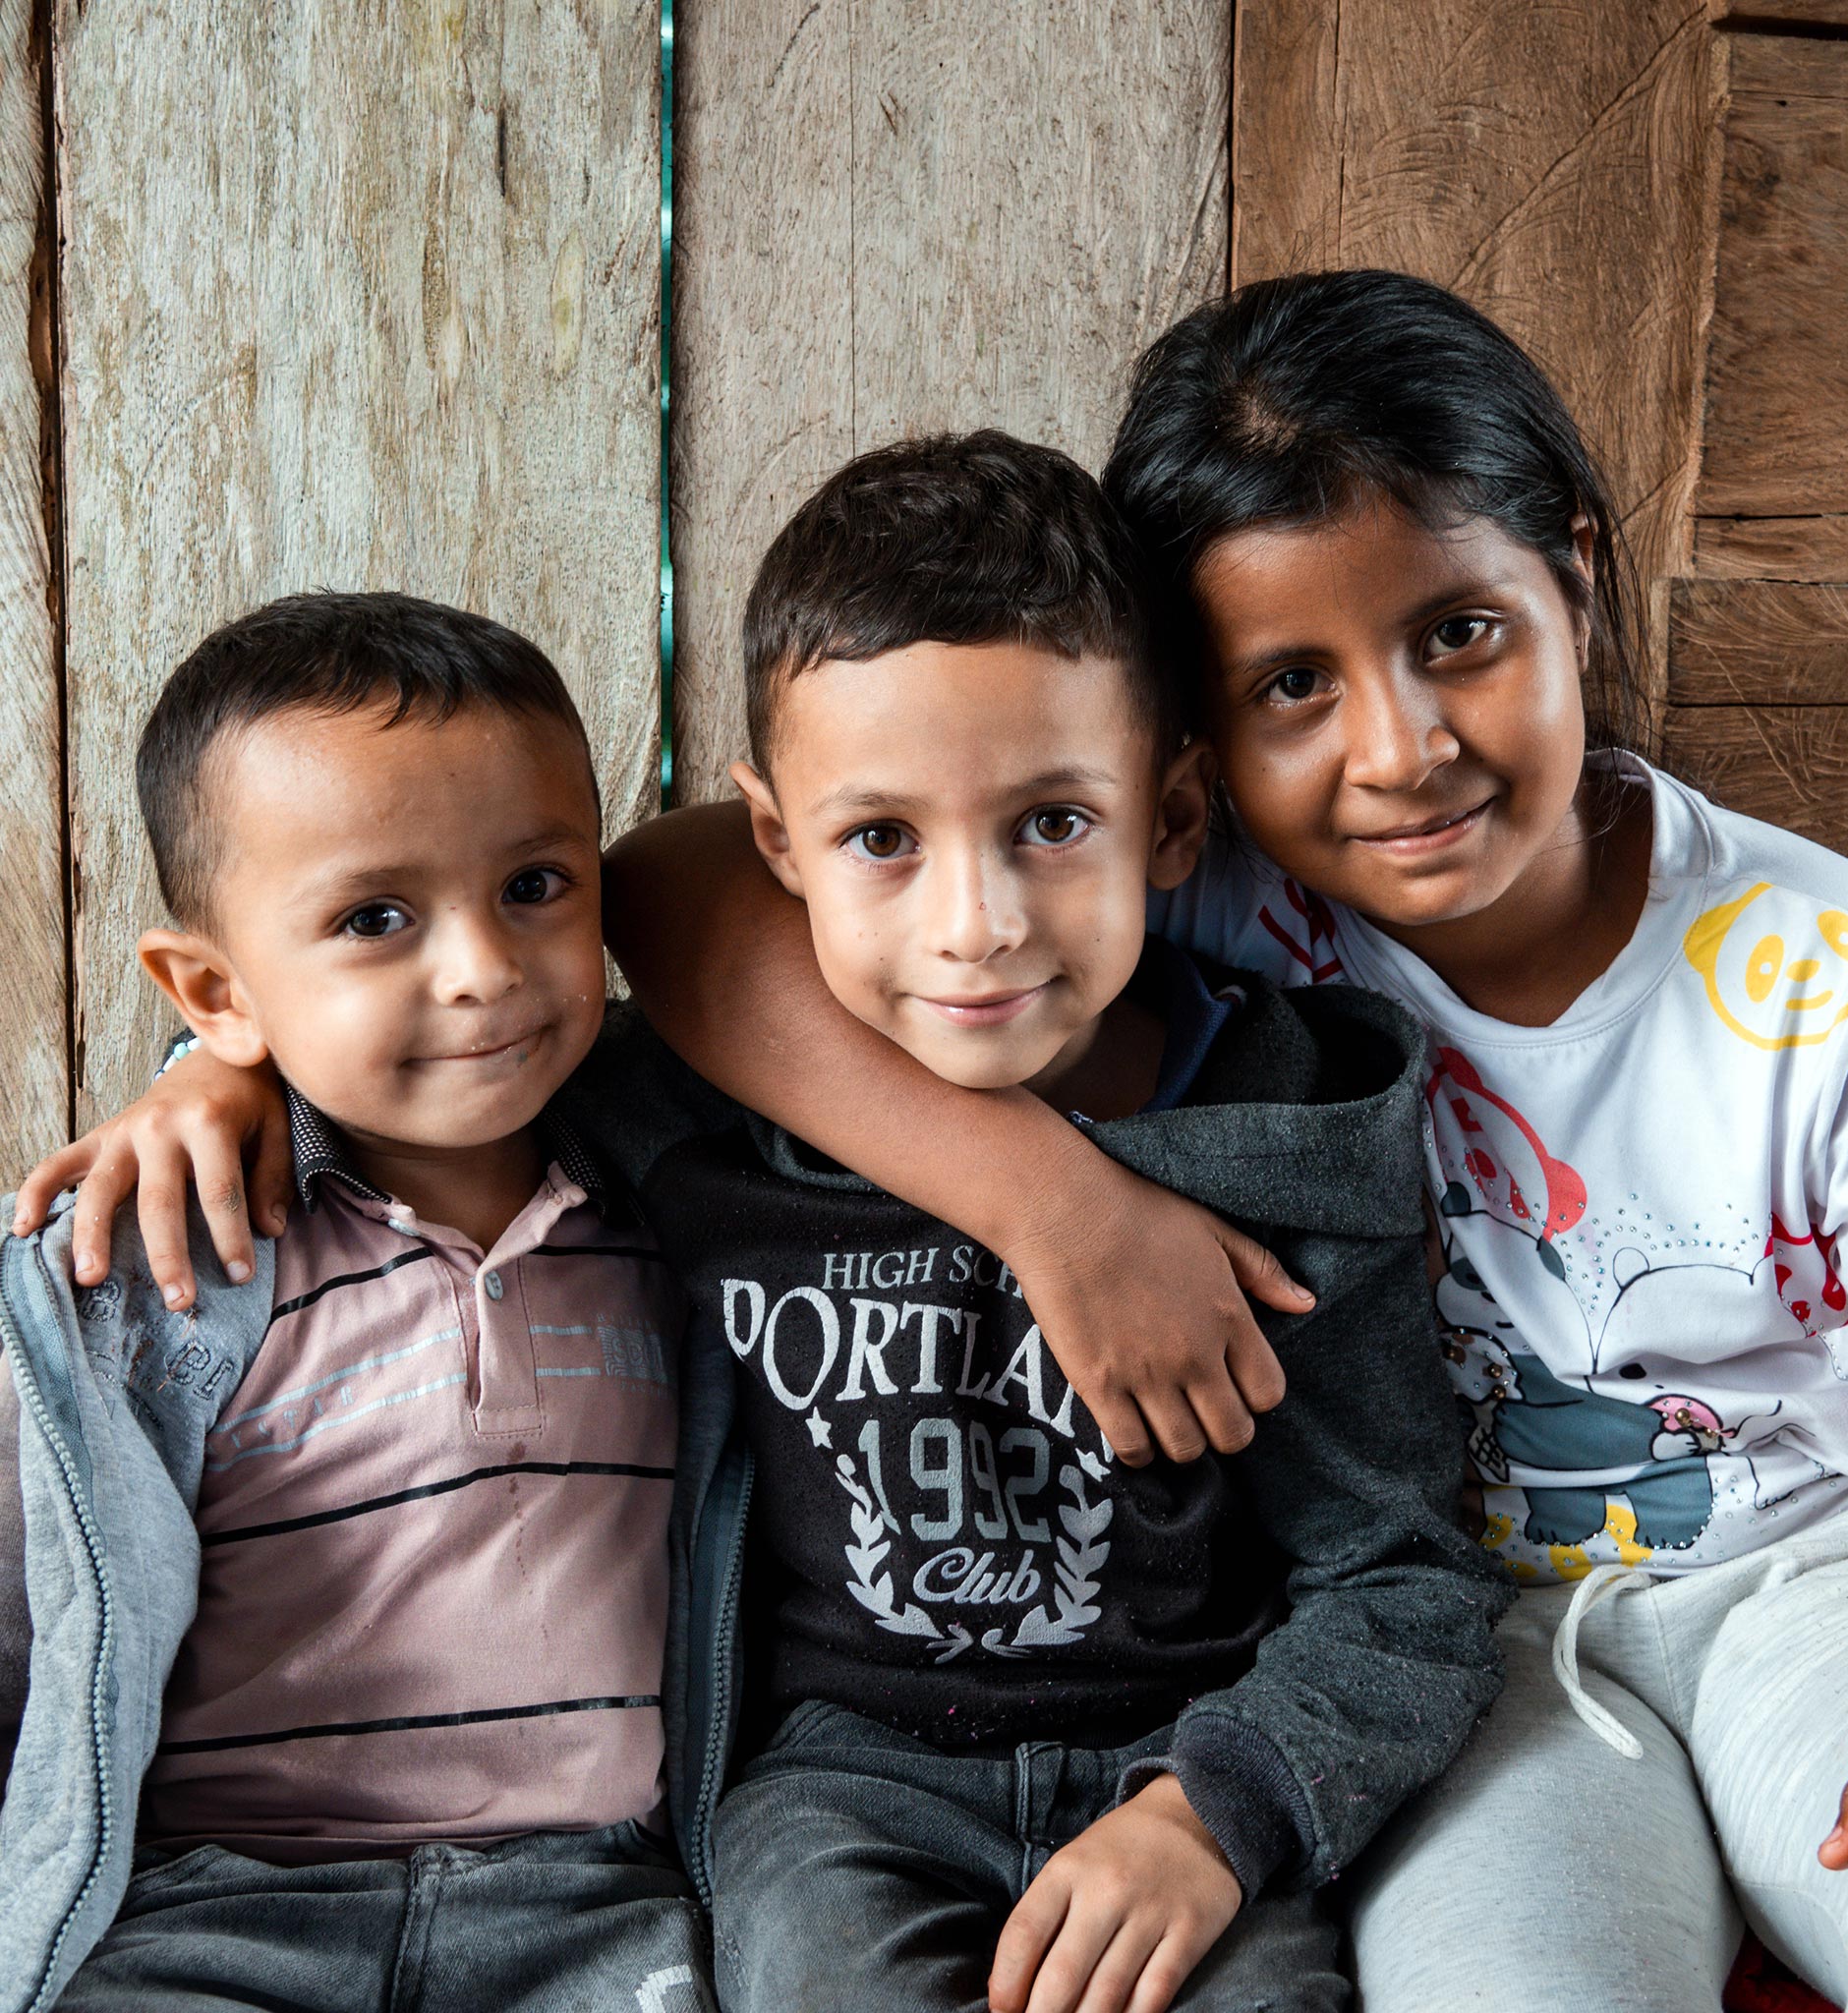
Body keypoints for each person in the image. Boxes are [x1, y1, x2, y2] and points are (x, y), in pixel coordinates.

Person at [23, 435, 1514, 2013]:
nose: (977, 922)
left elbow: (1407, 1574)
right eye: (884, 839)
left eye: (1053, 824)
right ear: (780, 843)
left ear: (1174, 815)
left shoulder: (1296, 1148)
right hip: (839, 1799)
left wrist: (1221, 1814)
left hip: (1189, 1770)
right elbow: (517, 996)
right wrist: (216, 1078)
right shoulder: (679, 1124)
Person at [0, 593, 718, 2012]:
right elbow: (32, 1621)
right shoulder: (158, 1262)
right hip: (223, 1908)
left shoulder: (687, 1196)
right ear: (212, 987)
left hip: (596, 1911)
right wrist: (204, 1072)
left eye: (535, 886)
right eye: (374, 917)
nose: (483, 970)